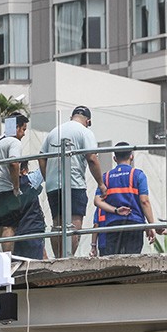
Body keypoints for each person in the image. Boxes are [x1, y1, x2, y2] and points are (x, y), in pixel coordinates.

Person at [39, 106, 107, 257]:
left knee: (57, 224)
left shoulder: (54, 131)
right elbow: (92, 158)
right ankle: (68, 258)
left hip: (53, 186)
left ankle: (58, 259)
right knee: (74, 223)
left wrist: (48, 178)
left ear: (71, 117)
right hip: (74, 184)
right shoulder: (85, 132)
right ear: (88, 121)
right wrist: (101, 184)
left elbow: (41, 157)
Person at [93, 142, 161, 254]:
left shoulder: (106, 177)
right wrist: (151, 225)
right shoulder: (138, 175)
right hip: (134, 223)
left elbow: (97, 201)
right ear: (131, 156)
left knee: (113, 261)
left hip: (113, 224)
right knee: (132, 259)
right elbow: (144, 201)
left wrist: (116, 210)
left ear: (115, 158)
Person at [0, 113, 29, 252]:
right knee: (9, 227)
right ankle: (7, 260)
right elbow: (14, 163)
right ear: (17, 127)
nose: (24, 134)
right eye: (23, 129)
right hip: (4, 190)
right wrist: (16, 187)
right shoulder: (14, 142)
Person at [13, 161, 47, 259]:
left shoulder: (5, 186)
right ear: (24, 170)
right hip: (33, 228)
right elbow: (45, 166)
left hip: (15, 233)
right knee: (37, 263)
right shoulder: (30, 180)